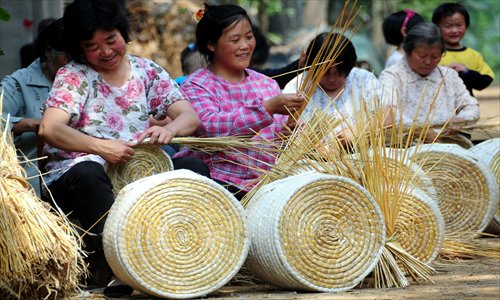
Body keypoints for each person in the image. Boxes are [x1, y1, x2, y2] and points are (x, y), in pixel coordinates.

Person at [38, 0, 208, 295]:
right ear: (79, 48)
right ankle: (118, 267)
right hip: (80, 172)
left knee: (194, 169)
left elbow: (189, 116)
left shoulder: (147, 71)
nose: (105, 51)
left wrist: (168, 129)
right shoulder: (74, 76)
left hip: (139, 170)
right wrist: (102, 147)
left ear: (123, 33)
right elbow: (50, 128)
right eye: (92, 46)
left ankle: (189, 257)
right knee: (90, 173)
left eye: (111, 39)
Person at [175, 4, 304, 198]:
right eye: (235, 39)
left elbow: (277, 141)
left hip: (267, 184)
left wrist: (291, 132)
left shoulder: (266, 84)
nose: (245, 45)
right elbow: (210, 127)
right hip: (218, 184)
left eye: (249, 37)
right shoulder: (196, 85)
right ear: (211, 44)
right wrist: (266, 108)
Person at [1, 18, 70, 197]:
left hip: (82, 176)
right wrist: (31, 124)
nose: (75, 65)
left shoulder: (88, 80)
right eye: (68, 57)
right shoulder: (18, 83)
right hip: (33, 186)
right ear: (48, 52)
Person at [379, 22, 479, 143]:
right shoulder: (392, 76)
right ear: (407, 51)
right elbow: (388, 112)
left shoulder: (448, 76)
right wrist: (418, 131)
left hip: (447, 146)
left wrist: (460, 121)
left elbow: (471, 106)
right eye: (422, 55)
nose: (427, 61)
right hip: (406, 149)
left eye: (435, 56)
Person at [283, 32, 384, 124]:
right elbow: (282, 128)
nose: (332, 79)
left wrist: (359, 133)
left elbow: (388, 115)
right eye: (325, 73)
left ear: (350, 66)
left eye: (339, 72)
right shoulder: (296, 88)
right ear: (312, 67)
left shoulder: (364, 80)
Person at [432, 2, 494, 96]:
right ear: (437, 28)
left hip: (466, 108)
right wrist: (442, 72)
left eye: (459, 25)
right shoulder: (431, 54)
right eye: (448, 26)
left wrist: (466, 72)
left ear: (466, 26)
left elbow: (485, 81)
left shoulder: (473, 55)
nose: (454, 30)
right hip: (436, 107)